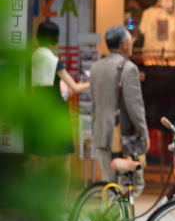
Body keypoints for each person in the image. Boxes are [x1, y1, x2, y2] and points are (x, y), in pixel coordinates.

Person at [29, 21, 89, 184]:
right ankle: (61, 203)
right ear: (54, 38)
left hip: (39, 109)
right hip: (56, 110)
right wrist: (92, 83)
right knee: (63, 159)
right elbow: (75, 87)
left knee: (40, 158)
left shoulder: (34, 56)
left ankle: (36, 199)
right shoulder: (53, 60)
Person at [90, 25, 148, 193]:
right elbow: (135, 107)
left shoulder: (96, 67)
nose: (132, 45)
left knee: (109, 184)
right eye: (131, 41)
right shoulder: (129, 69)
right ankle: (118, 218)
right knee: (131, 185)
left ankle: (109, 217)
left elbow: (94, 103)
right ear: (124, 44)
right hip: (123, 138)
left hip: (101, 134)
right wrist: (144, 133)